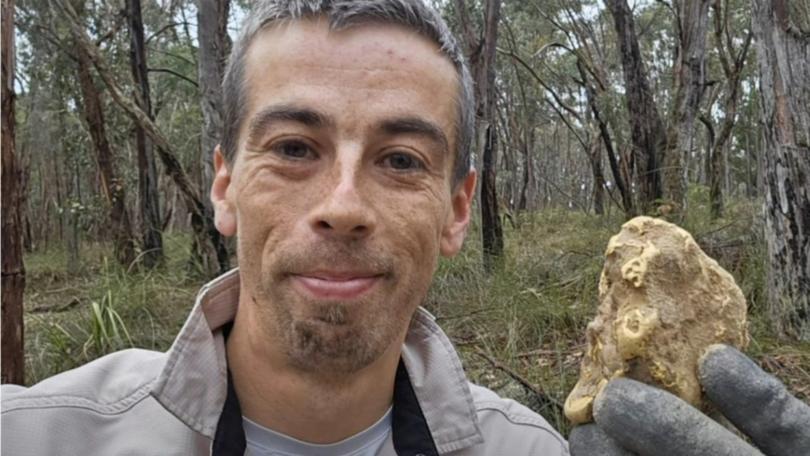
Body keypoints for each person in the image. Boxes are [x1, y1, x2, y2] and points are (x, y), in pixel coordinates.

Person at [2, 1, 808, 455]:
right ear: (224, 186)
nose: (344, 204)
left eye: (400, 160)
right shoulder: (40, 438)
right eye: (293, 148)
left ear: (458, 209)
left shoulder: (530, 453)